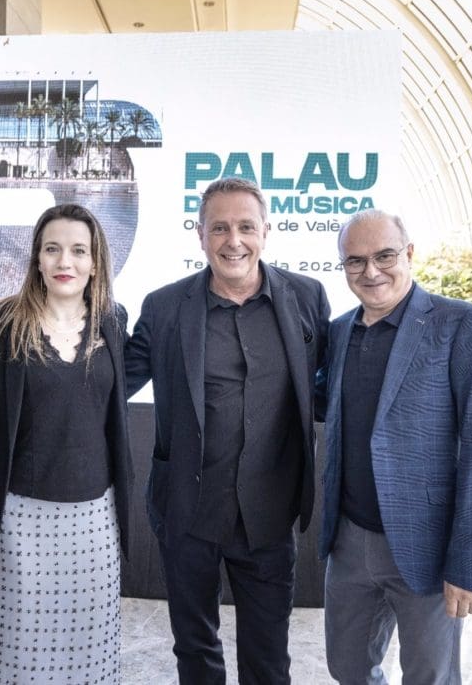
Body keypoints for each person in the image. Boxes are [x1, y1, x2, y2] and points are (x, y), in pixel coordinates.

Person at [125, 177, 331, 683]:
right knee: (195, 651)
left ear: (266, 232)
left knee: (268, 659)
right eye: (219, 228)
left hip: (270, 515)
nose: (233, 240)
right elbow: (112, 382)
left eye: (245, 227)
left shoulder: (307, 298)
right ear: (200, 235)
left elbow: (333, 386)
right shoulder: (164, 307)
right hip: (186, 511)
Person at [316, 208, 472, 684]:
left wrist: (470, 561)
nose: (371, 271)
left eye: (384, 256)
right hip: (349, 541)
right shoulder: (339, 331)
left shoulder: (460, 323)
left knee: (430, 676)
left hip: (429, 545)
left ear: (408, 254)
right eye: (355, 261)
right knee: (347, 669)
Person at [0, 204, 134, 684]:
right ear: (37, 259)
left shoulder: (113, 321)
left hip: (95, 519)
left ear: (95, 262)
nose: (66, 261)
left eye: (79, 250)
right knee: (21, 657)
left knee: (91, 655)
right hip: (21, 519)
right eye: (53, 249)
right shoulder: (2, 320)